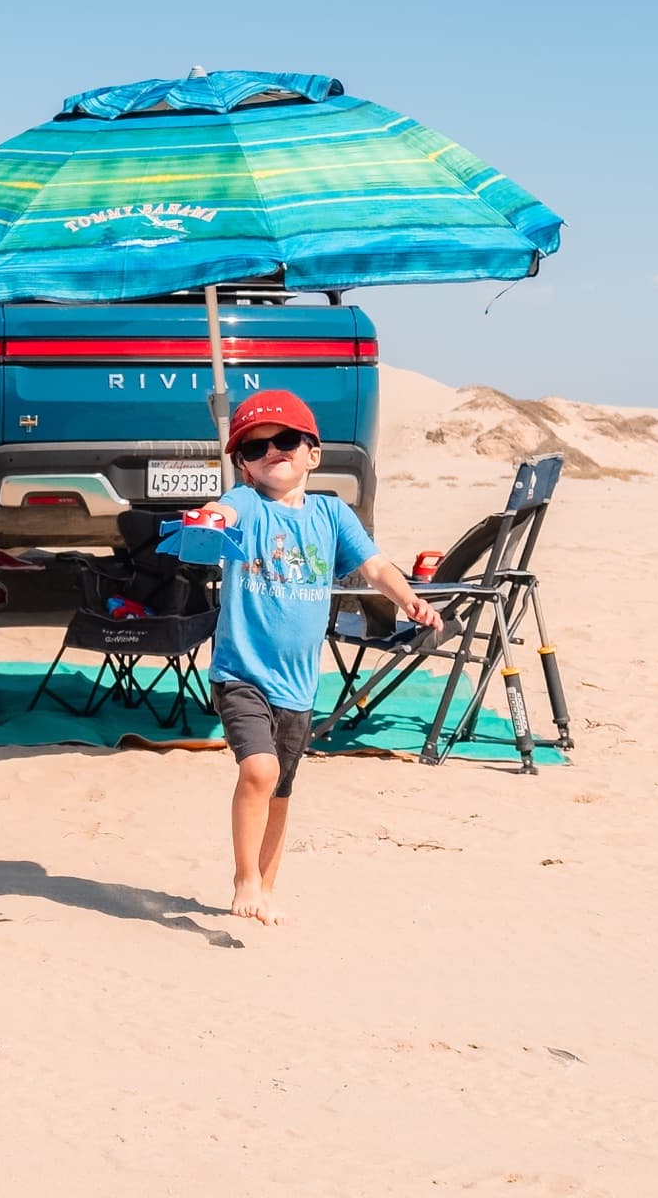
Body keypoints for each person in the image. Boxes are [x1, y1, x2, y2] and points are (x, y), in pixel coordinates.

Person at [199, 390, 442, 925]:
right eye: (255, 447)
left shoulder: (332, 514)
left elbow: (376, 568)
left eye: (285, 440)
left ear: (313, 453)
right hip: (240, 674)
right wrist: (208, 519)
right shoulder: (246, 505)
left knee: (281, 789)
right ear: (241, 464)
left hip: (299, 685)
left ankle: (264, 888)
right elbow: (220, 511)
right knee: (259, 771)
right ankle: (243, 876)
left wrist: (410, 600)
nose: (271, 451)